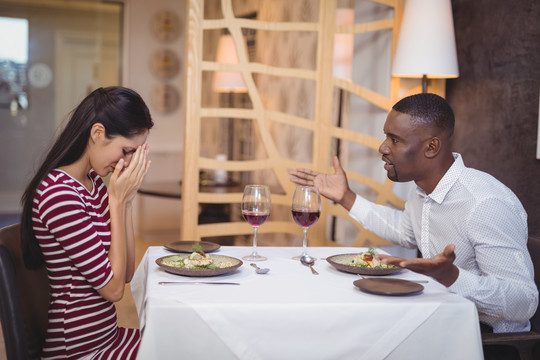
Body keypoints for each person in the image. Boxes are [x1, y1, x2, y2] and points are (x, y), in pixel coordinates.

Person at [288, 93, 538, 334]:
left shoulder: (485, 203)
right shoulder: (420, 190)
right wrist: (347, 198)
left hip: (486, 340)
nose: (382, 147)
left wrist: (452, 277)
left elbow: (524, 302)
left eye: (394, 139)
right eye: (385, 136)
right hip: (440, 320)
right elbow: (406, 232)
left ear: (431, 147)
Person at [21, 86, 153, 359]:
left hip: (109, 337)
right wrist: (116, 203)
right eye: (126, 151)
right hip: (79, 351)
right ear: (97, 133)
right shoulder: (59, 193)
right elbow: (115, 290)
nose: (126, 164)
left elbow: (126, 273)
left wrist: (125, 202)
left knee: (180, 342)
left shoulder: (93, 184)